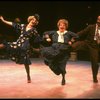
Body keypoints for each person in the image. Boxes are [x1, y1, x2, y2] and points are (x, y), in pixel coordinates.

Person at [0, 14, 40, 83]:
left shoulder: (34, 30)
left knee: (26, 62)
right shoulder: (23, 26)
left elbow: (38, 38)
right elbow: (13, 24)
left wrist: (45, 38)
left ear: (36, 23)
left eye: (35, 21)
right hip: (18, 43)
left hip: (25, 46)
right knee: (5, 45)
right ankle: (28, 76)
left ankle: (28, 76)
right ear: (30, 19)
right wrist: (3, 21)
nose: (34, 21)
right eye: (33, 19)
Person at [40, 18, 78, 85]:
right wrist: (47, 37)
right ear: (58, 26)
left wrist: (71, 41)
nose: (62, 26)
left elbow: (76, 36)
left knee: (62, 65)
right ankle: (48, 61)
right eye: (60, 25)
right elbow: (45, 33)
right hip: (54, 48)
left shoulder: (68, 33)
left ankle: (63, 78)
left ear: (66, 26)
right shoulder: (55, 32)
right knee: (50, 62)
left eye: (64, 25)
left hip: (64, 49)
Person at [72, 15, 100, 83]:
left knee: (95, 63)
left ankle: (94, 77)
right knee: (76, 45)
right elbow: (82, 32)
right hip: (87, 43)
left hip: (95, 47)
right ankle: (64, 50)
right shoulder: (91, 27)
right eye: (98, 19)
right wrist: (73, 37)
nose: (98, 20)